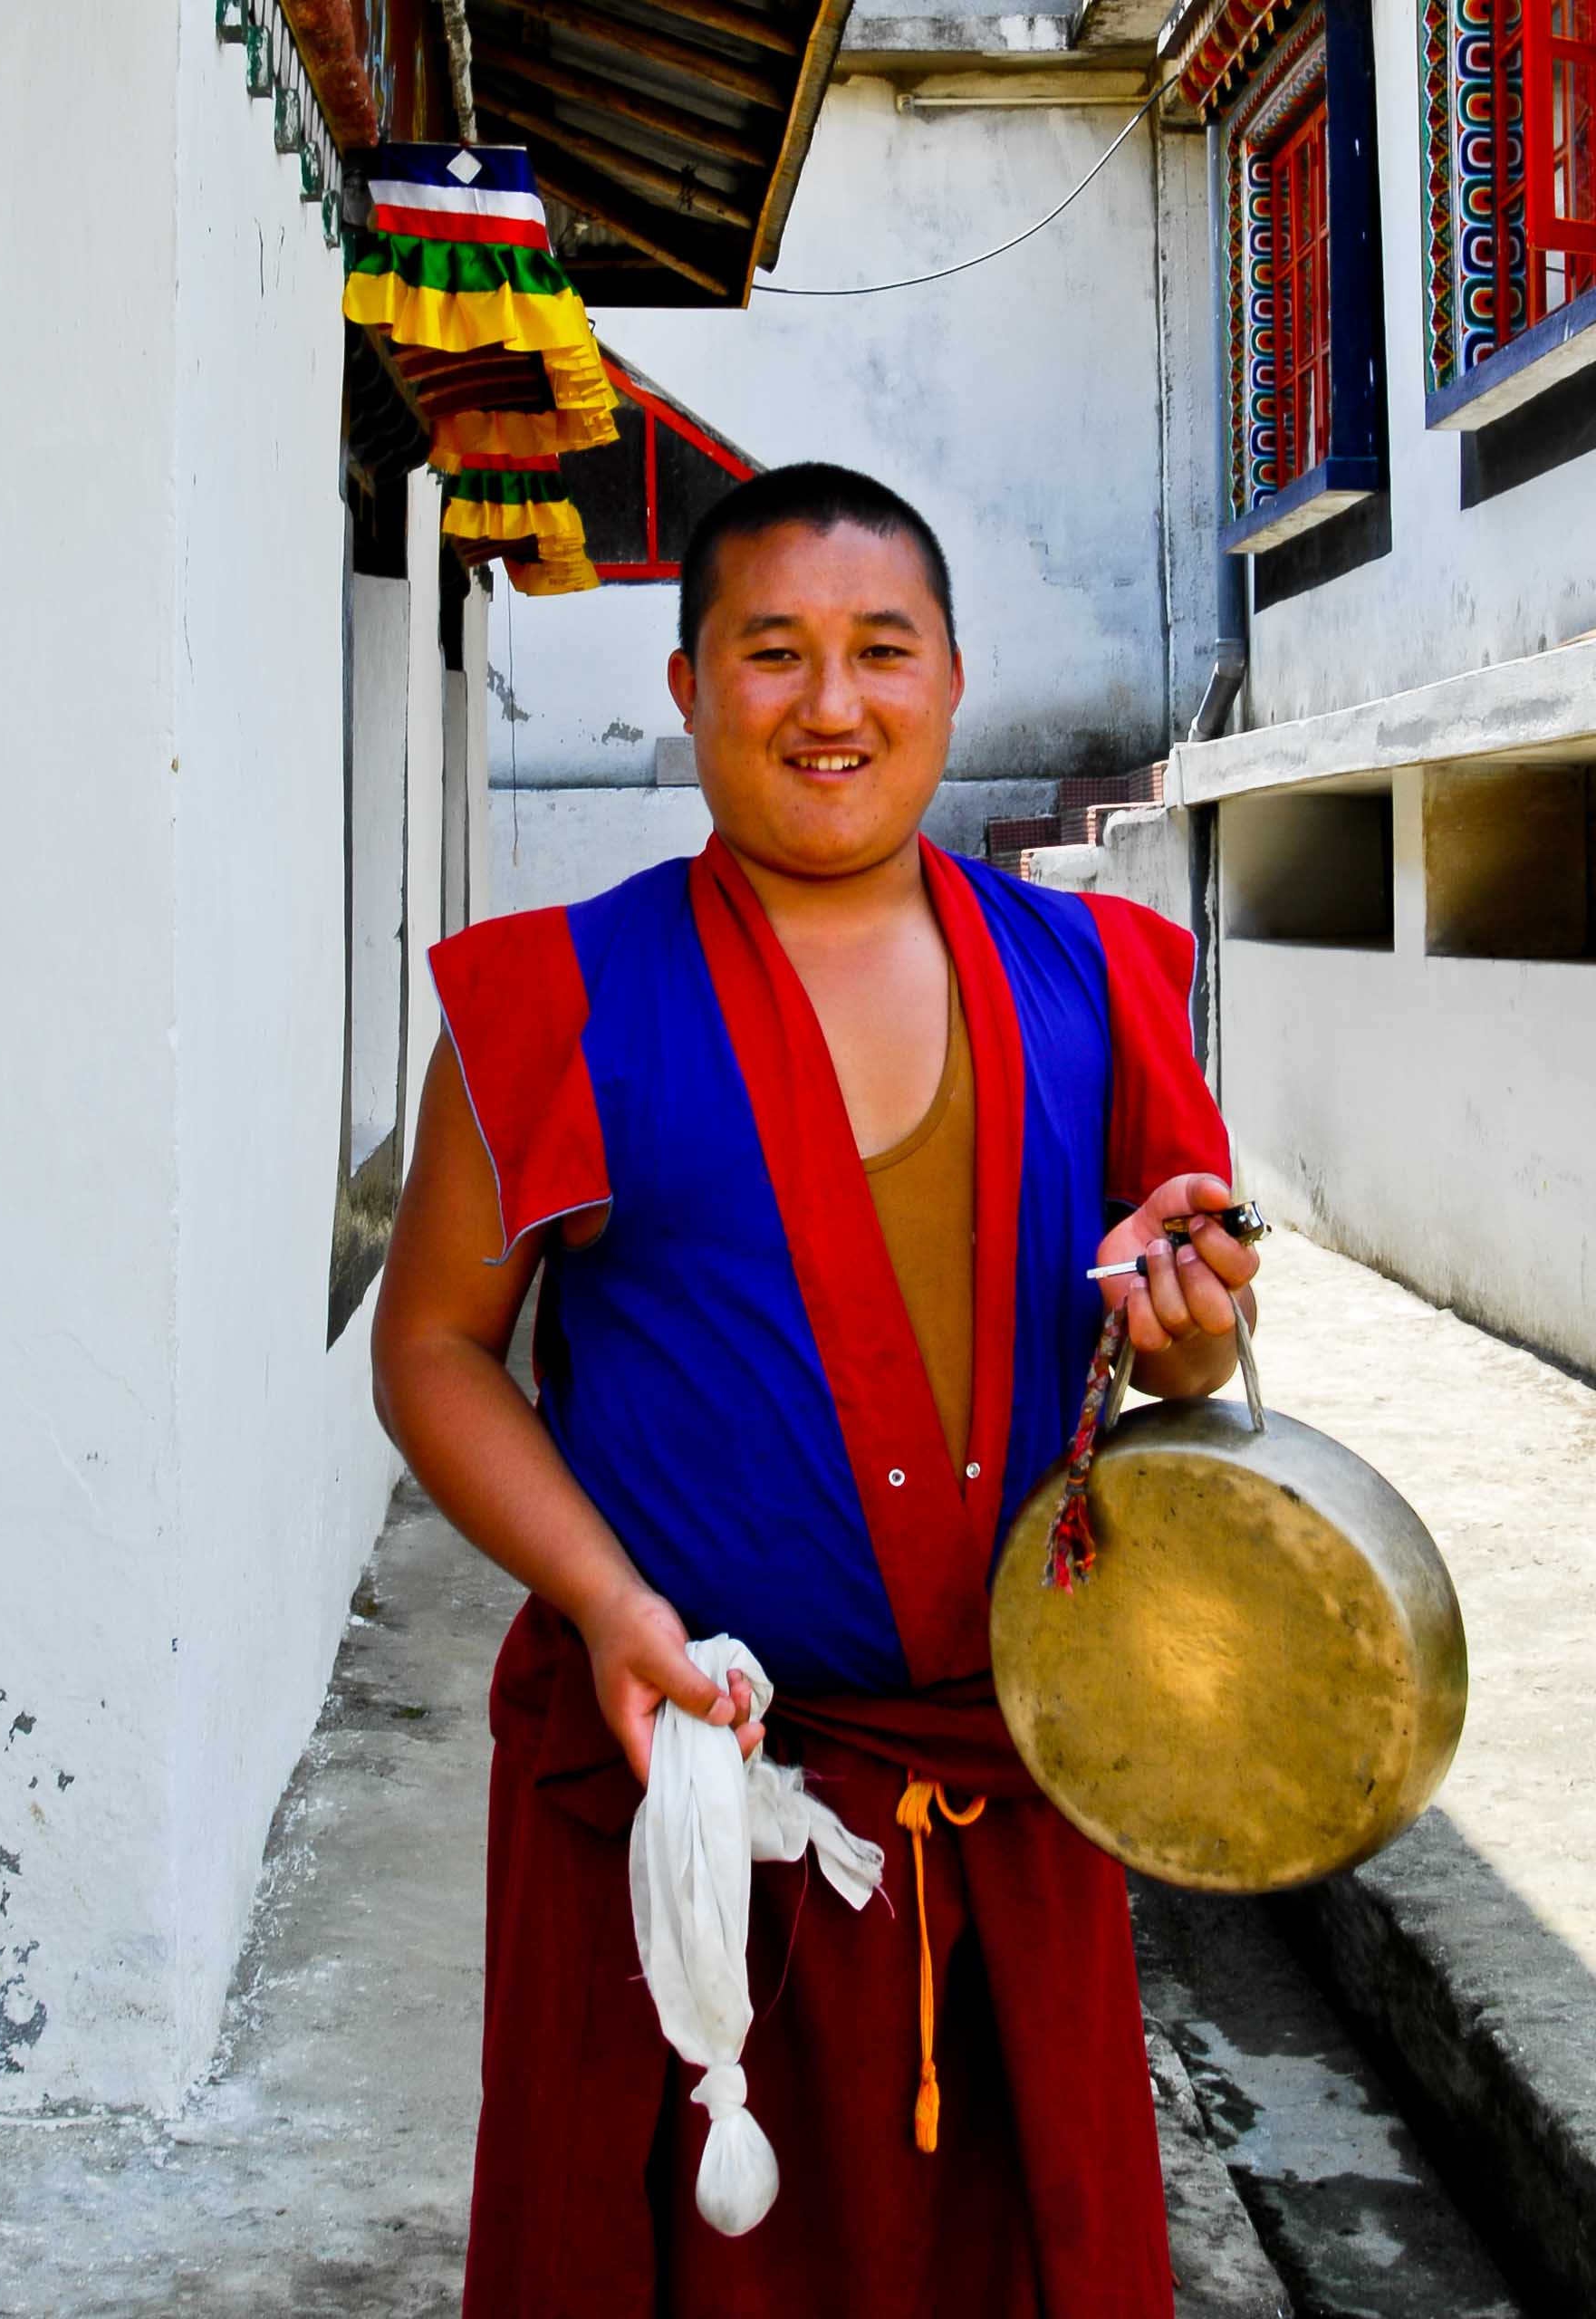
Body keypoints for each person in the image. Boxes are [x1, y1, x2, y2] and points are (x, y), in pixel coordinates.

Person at [371, 463, 1262, 2316]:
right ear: (687, 684)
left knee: (1020, 2256)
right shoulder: (558, 993)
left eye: (879, 649)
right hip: (682, 1778)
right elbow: (432, 1349)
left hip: (1001, 1786)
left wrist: (1189, 1340)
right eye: (771, 652)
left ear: (951, 674)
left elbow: (1182, 1341)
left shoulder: (1099, 974)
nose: (829, 702)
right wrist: (613, 1609)